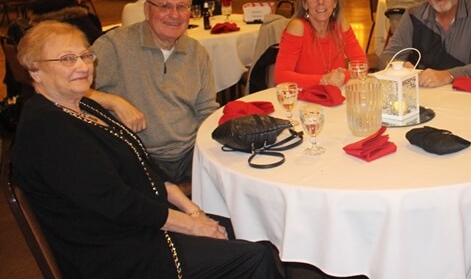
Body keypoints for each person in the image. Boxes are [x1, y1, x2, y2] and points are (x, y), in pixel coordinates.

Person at [13, 21, 283, 279]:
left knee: (251, 230)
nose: (82, 66)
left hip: (140, 220)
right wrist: (190, 224)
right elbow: (115, 202)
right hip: (114, 250)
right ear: (35, 71)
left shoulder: (82, 105)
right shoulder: (47, 129)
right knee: (255, 256)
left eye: (85, 56)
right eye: (67, 59)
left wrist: (192, 210)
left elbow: (142, 162)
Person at [92, 0, 219, 183]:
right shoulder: (114, 46)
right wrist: (113, 101)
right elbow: (66, 90)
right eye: (165, 6)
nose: (174, 15)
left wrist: (208, 153)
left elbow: (206, 110)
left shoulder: (197, 52)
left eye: (182, 6)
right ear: (147, 10)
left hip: (190, 153)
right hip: (139, 157)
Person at [275, 0, 367, 88]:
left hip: (336, 95)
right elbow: (281, 76)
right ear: (305, 4)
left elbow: (362, 64)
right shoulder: (297, 28)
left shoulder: (341, 25)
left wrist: (343, 77)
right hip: (304, 96)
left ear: (335, 2)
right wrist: (323, 79)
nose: (320, 2)